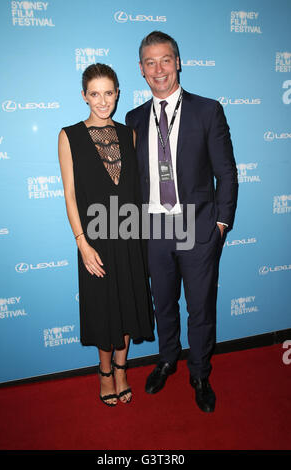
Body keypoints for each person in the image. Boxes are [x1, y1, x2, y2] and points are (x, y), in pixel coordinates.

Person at [126, 31, 238, 412]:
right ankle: (167, 359)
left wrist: (221, 224)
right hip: (154, 227)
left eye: (165, 60)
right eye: (150, 62)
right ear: (141, 70)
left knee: (201, 306)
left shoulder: (208, 110)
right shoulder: (134, 118)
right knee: (163, 303)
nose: (159, 69)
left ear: (178, 62)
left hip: (197, 224)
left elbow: (227, 172)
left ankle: (200, 372)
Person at [58, 64, 154, 407]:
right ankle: (103, 372)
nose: (102, 101)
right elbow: (69, 194)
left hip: (130, 235)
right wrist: (82, 242)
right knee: (103, 309)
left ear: (117, 93)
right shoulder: (68, 135)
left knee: (128, 305)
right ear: (84, 96)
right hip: (94, 239)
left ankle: (121, 369)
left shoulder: (129, 134)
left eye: (108, 93)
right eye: (94, 93)